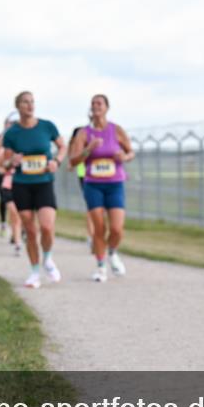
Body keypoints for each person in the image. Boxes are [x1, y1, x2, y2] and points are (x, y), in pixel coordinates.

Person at [0, 91, 66, 288]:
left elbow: (63, 147)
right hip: (22, 184)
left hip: (44, 182)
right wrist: (12, 161)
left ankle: (47, 258)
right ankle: (35, 272)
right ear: (17, 106)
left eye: (32, 102)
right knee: (30, 230)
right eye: (25, 102)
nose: (30, 105)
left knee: (47, 226)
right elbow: (5, 163)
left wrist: (56, 161)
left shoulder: (47, 126)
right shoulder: (12, 133)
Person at [69, 94, 133, 282]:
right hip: (93, 184)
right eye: (93, 103)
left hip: (115, 183)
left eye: (99, 103)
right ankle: (100, 266)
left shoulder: (116, 130)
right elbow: (73, 160)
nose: (96, 106)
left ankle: (112, 252)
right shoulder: (84, 133)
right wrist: (88, 149)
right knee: (99, 228)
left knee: (117, 229)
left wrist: (124, 157)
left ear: (106, 107)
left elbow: (131, 152)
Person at [0, 112, 22, 256]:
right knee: (12, 209)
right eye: (10, 124)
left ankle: (17, 234)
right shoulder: (2, 138)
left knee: (21, 211)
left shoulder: (25, 138)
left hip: (22, 179)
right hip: (6, 178)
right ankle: (17, 242)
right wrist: (2, 164)